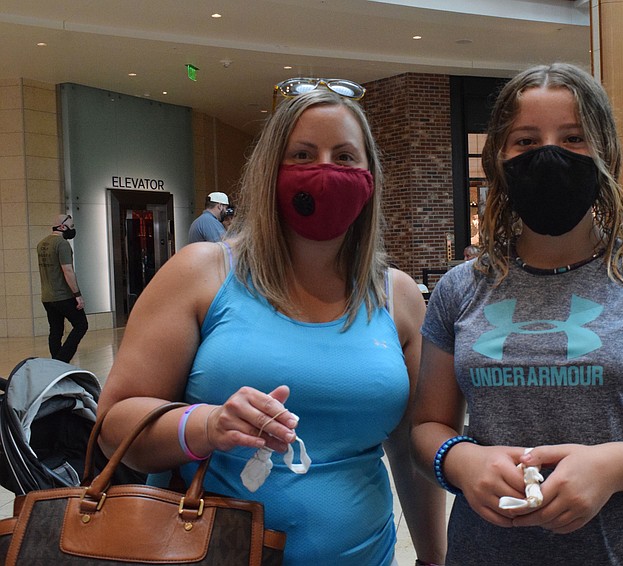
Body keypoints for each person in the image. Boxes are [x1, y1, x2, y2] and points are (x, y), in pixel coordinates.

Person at [97, 80, 446, 566]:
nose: (324, 171)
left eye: (344, 157)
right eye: (303, 154)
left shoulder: (398, 297)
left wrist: (433, 557)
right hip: (206, 551)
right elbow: (115, 425)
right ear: (269, 172)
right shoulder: (201, 273)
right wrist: (207, 424)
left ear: (370, 178)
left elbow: (410, 452)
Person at [410, 63, 623, 565]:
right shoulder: (460, 289)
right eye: (525, 141)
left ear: (605, 153)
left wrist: (615, 466)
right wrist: (462, 459)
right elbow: (427, 427)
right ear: (497, 159)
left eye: (573, 138)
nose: (549, 155)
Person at [36, 214, 88, 362]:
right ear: (62, 227)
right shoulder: (62, 244)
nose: (73, 230)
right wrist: (77, 294)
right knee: (81, 325)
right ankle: (61, 361)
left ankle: (56, 364)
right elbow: (68, 271)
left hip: (47, 297)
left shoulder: (41, 244)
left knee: (56, 330)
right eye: (71, 227)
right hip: (63, 296)